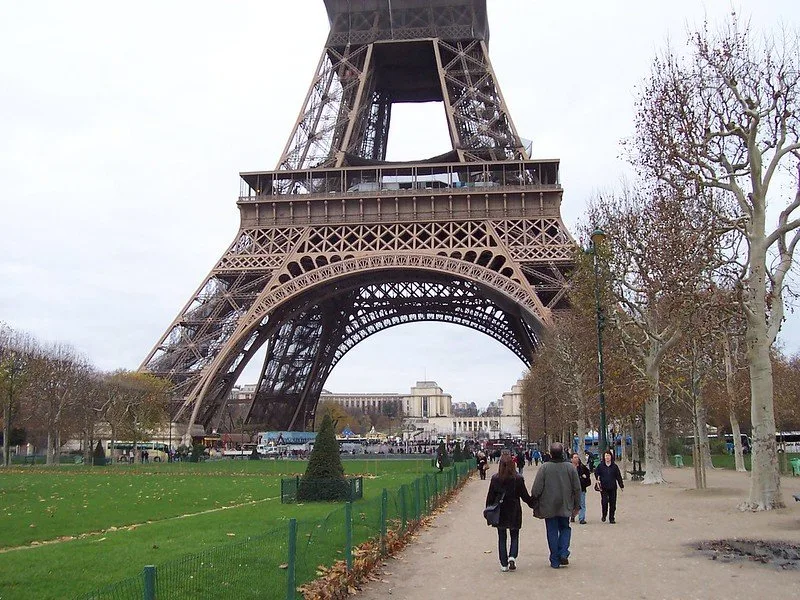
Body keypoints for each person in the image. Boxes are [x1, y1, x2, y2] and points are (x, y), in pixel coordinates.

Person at [529, 442, 581, 569]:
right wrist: (577, 506)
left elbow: (536, 489)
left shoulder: (544, 468)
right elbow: (577, 488)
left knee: (551, 531)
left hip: (548, 505)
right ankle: (563, 552)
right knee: (565, 528)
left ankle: (554, 559)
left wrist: (534, 500)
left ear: (550, 453)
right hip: (565, 504)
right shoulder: (570, 468)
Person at [485, 453, 533, 572]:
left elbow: (490, 496)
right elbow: (525, 496)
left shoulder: (496, 478)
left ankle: (503, 563)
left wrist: (488, 510)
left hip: (500, 510)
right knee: (514, 535)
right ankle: (512, 556)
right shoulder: (518, 479)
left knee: (502, 537)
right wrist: (534, 503)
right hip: (514, 509)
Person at [594, 450, 624, 523]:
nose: (607, 457)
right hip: (603, 487)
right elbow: (596, 472)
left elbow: (618, 476)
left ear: (611, 457)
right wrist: (597, 479)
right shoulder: (601, 466)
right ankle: (604, 515)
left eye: (608, 455)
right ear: (604, 457)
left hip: (613, 487)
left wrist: (621, 485)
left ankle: (612, 518)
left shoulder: (614, 466)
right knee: (604, 502)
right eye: (606, 456)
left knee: (613, 504)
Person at [570, 452, 591, 524]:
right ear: (571, 459)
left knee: (582, 504)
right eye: (575, 457)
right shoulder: (569, 468)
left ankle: (582, 518)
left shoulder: (582, 467)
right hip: (571, 489)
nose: (577, 459)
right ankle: (572, 516)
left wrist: (584, 478)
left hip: (581, 488)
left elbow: (588, 474)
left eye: (577, 457)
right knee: (572, 504)